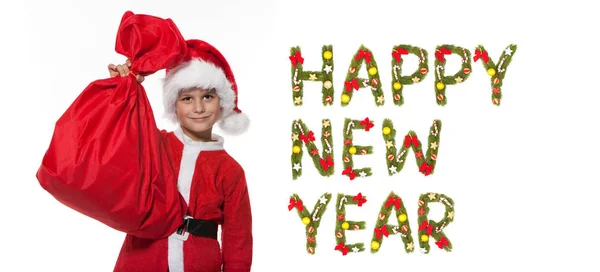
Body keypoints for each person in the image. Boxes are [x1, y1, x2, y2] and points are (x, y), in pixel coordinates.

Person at [108, 40, 253, 272]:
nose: (198, 108)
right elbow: (117, 134)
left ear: (222, 102)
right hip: (141, 261)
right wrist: (121, 88)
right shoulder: (154, 143)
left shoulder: (231, 171)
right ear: (174, 104)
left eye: (208, 97)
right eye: (187, 98)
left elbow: (238, 239)